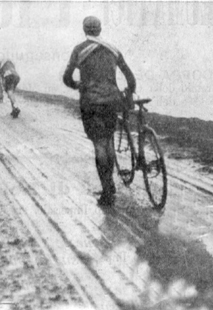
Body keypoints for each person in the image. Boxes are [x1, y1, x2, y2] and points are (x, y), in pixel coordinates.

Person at [62, 16, 136, 207]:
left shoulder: (79, 50)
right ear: (100, 29)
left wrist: (77, 84)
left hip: (91, 103)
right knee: (108, 140)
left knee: (99, 145)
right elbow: (130, 77)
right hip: (112, 100)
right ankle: (109, 187)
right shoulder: (113, 49)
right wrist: (128, 92)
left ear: (84, 30)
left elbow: (67, 77)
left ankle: (107, 190)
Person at [0, 52, 21, 118]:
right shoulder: (11, 62)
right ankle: (14, 109)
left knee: (9, 92)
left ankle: (16, 107)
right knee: (11, 93)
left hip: (8, 75)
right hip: (16, 76)